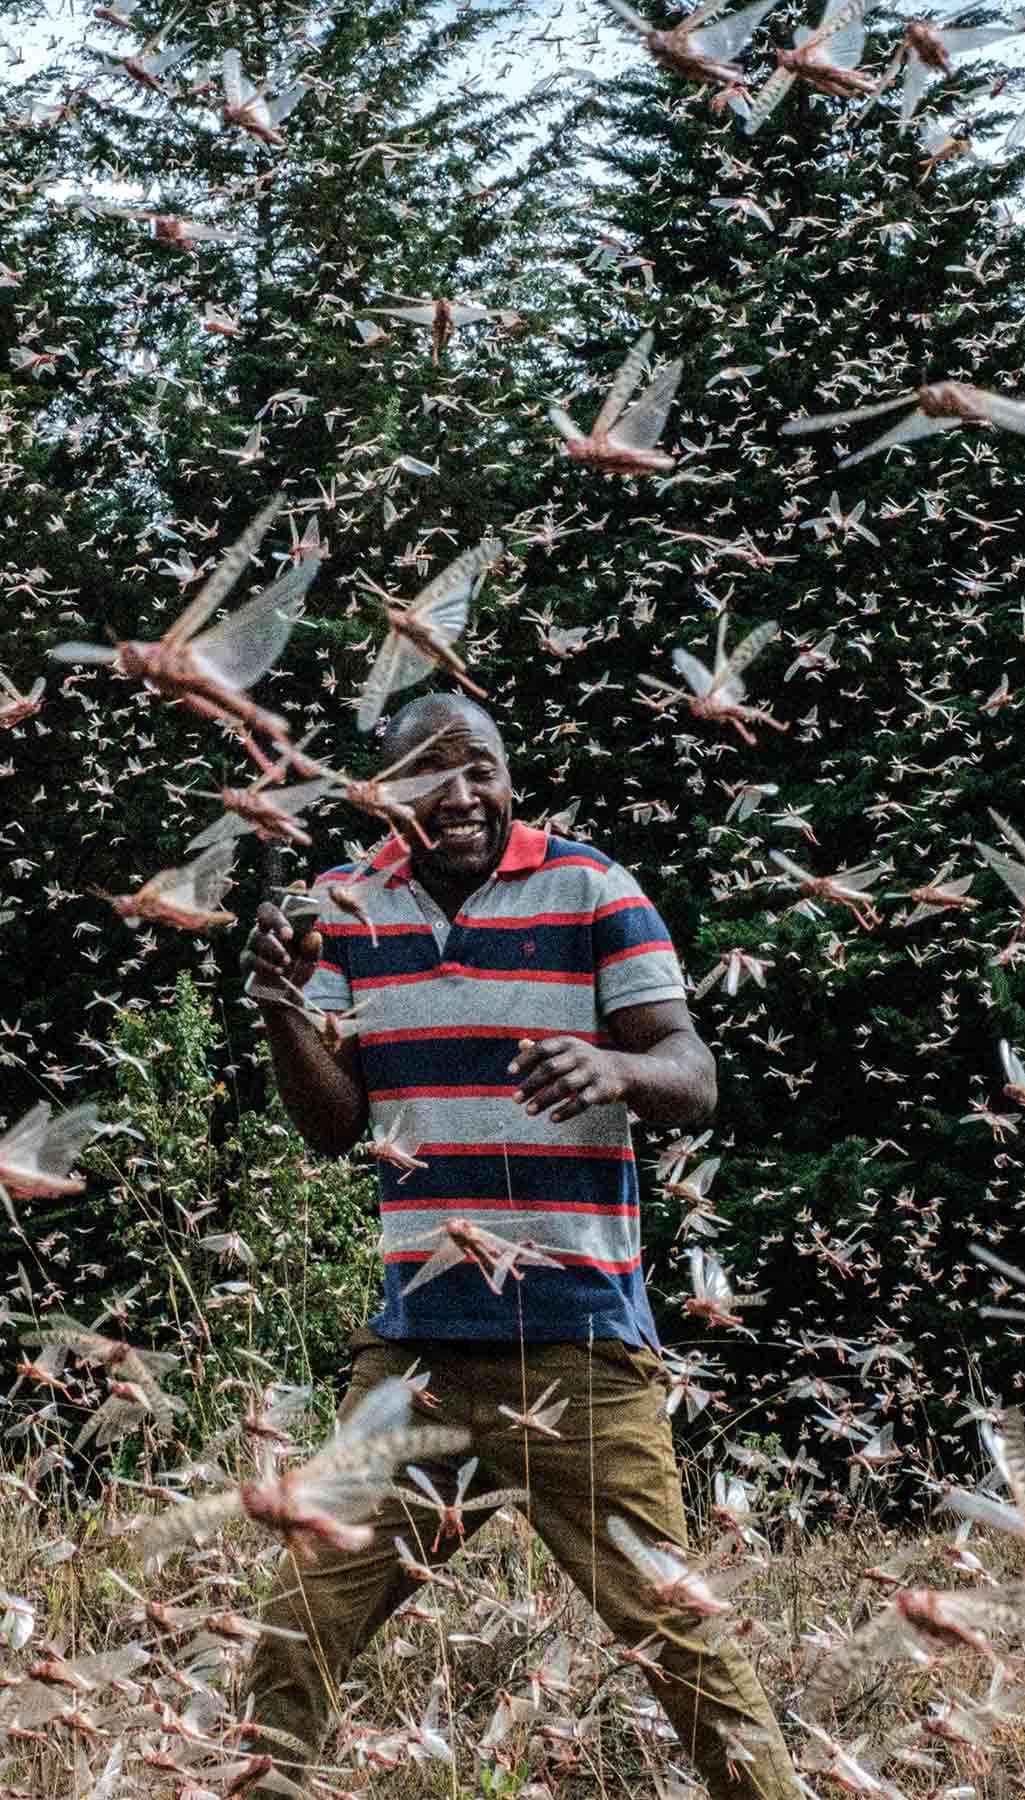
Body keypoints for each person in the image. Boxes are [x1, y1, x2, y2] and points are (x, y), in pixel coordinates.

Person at [238, 691, 799, 1799]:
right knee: (295, 1634)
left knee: (676, 1643)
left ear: (509, 776)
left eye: (483, 769)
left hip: (578, 1347)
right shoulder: (346, 906)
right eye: (430, 776)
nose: (462, 797)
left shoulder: (592, 887)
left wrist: (619, 1071)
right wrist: (277, 1009)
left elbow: (693, 1078)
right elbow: (333, 1125)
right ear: (384, 794)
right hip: (417, 1356)